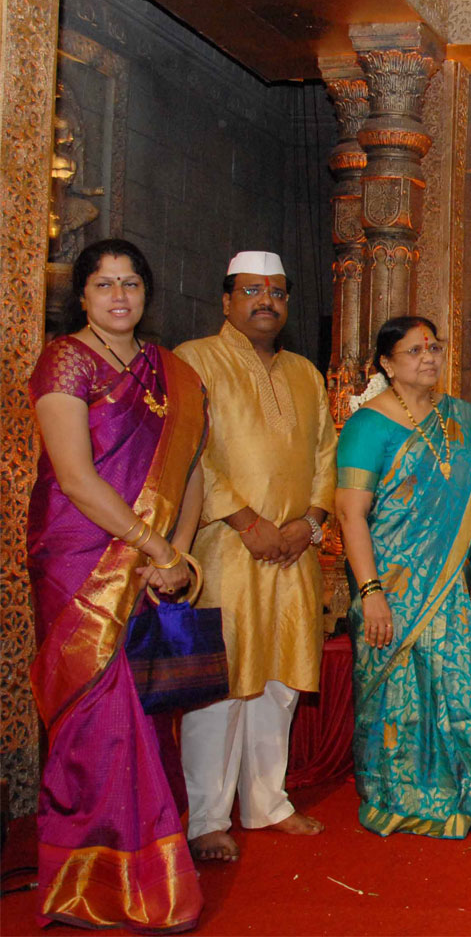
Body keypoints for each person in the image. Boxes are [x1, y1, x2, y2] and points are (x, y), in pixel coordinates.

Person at [27, 239, 207, 930]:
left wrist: (179, 555)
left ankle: (153, 870)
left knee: (148, 715)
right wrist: (154, 544)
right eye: (104, 285)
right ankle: (87, 880)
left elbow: (191, 469)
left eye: (131, 283)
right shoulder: (64, 360)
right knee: (96, 718)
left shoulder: (175, 376)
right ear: (83, 296)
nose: (120, 296)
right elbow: (74, 476)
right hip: (78, 559)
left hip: (154, 562)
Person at [175, 251, 336, 862]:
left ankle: (268, 802)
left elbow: (327, 451)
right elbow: (193, 453)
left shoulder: (304, 371)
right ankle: (208, 818)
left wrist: (311, 522)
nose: (265, 301)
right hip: (225, 548)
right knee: (224, 684)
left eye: (276, 291)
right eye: (251, 291)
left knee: (280, 680)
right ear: (227, 300)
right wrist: (244, 520)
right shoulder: (194, 361)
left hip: (293, 550)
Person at [334, 316, 471, 837]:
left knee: (455, 684)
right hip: (388, 588)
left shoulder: (462, 417)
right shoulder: (367, 426)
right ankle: (402, 795)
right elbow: (351, 514)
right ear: (387, 364)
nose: (428, 358)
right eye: (413, 351)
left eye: (433, 347)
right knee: (400, 696)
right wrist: (370, 593)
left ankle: (465, 787)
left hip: (447, 590)